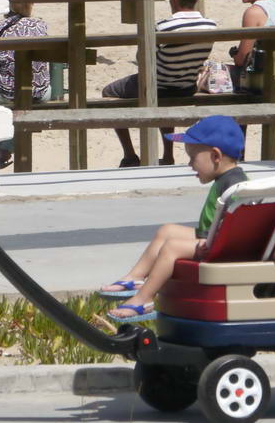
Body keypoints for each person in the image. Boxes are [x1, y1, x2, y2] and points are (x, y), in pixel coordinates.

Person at [98, 116, 247, 323]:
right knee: (167, 230)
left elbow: (239, 225)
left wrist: (214, 242)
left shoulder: (235, 185)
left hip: (219, 246)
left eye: (193, 158)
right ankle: (135, 278)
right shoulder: (226, 178)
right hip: (211, 237)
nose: (189, 164)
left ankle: (143, 300)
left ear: (215, 155)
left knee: (172, 247)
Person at [101, 0, 214, 167]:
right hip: (186, 87)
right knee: (166, 96)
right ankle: (168, 155)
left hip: (158, 86)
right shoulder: (211, 25)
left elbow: (142, 59)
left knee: (109, 92)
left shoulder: (163, 27)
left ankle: (130, 155)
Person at [0, 1, 51, 169]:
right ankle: (5, 149)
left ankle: (2, 149)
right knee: (18, 99)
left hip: (7, 92)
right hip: (41, 92)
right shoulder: (41, 25)